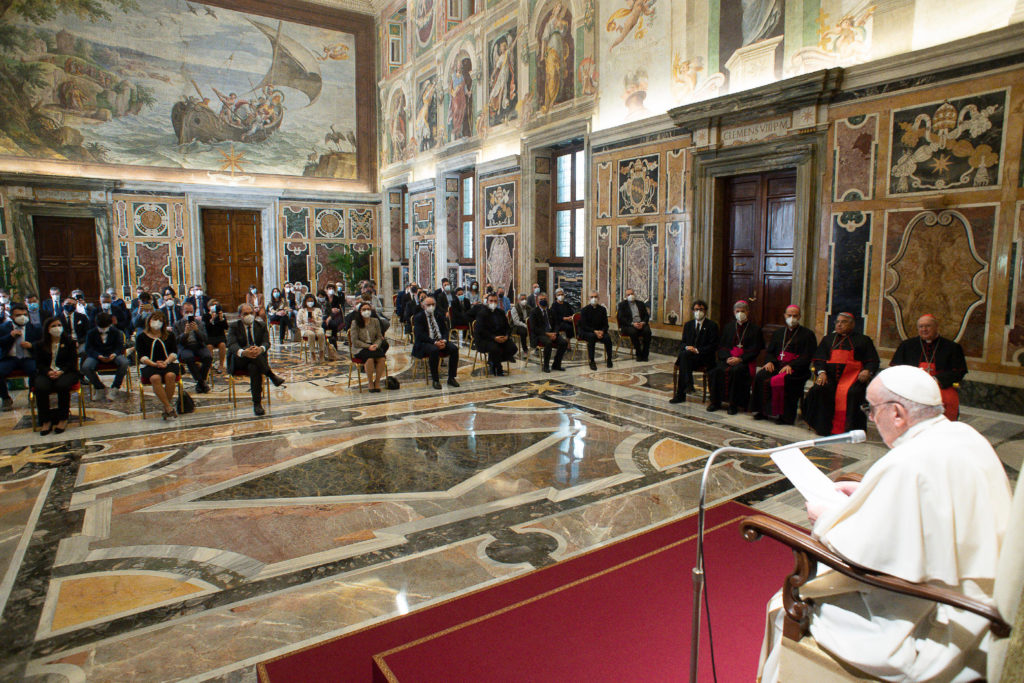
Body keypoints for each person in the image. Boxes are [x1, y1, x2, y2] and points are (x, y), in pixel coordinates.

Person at [757, 366, 1012, 683]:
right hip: (979, 603)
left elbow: (863, 553)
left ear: (898, 413)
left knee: (781, 609)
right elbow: (928, 507)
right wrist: (866, 492)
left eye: (872, 409)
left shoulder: (908, 460)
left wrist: (825, 518)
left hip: (933, 619)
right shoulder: (965, 437)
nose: (871, 419)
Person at [803, 312, 879, 435]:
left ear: (852, 324)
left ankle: (851, 430)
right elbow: (819, 360)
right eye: (837, 322)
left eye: (843, 322)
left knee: (854, 393)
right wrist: (821, 373)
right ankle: (822, 427)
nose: (839, 324)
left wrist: (867, 371)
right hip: (830, 377)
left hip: (853, 378)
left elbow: (873, 361)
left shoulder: (863, 340)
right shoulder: (828, 339)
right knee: (819, 389)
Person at [890, 314, 966, 421]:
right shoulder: (907, 345)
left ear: (936, 327)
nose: (924, 329)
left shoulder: (952, 347)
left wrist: (936, 379)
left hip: (941, 388)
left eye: (928, 326)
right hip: (913, 387)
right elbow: (896, 368)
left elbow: (959, 371)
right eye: (921, 326)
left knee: (948, 405)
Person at [749, 305, 816, 424]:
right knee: (761, 376)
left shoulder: (808, 334)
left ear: (799, 317)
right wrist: (769, 361)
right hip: (777, 365)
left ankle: (784, 416)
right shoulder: (778, 333)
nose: (792, 318)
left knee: (786, 380)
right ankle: (762, 411)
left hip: (796, 370)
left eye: (795, 315)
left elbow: (807, 355)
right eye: (789, 315)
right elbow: (770, 351)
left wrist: (792, 365)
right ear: (785, 316)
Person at [706, 300, 764, 414]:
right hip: (728, 359)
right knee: (715, 370)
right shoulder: (728, 327)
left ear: (748, 312)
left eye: (743, 311)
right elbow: (722, 346)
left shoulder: (755, 329)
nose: (740, 313)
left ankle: (734, 404)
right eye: (738, 311)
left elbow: (756, 350)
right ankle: (715, 402)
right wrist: (727, 358)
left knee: (737, 372)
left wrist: (741, 359)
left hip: (744, 361)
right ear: (734, 312)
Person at [227, 304, 285, 416]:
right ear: (240, 316)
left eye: (251, 313)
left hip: (256, 360)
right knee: (252, 355)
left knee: (254, 367)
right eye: (245, 314)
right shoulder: (234, 326)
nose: (249, 315)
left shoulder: (261, 325)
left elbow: (266, 343)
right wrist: (244, 352)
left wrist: (260, 349)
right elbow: (231, 344)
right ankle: (271, 375)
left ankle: (257, 404)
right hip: (240, 360)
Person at [32, 317, 81, 435]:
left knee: (62, 385)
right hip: (47, 372)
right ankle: (45, 420)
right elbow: (39, 363)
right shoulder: (40, 344)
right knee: (41, 387)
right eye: (53, 326)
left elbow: (72, 362)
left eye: (59, 325)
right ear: (47, 329)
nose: (57, 328)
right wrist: (48, 371)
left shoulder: (70, 342)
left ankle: (63, 418)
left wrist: (61, 371)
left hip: (67, 372)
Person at [671, 300, 719, 404]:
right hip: (689, 357)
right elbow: (682, 343)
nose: (698, 312)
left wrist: (697, 350)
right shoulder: (688, 325)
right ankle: (687, 386)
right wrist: (688, 347)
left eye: (701, 309)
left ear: (705, 311)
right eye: (696, 309)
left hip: (704, 357)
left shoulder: (712, 325)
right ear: (693, 311)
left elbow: (713, 345)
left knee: (684, 358)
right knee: (685, 355)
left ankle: (681, 394)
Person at [135, 310, 180, 420]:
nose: (157, 322)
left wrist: (166, 362)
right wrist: (154, 364)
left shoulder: (169, 335)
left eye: (160, 321)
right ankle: (168, 407)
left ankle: (166, 407)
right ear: (149, 321)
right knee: (155, 378)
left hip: (168, 362)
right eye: (155, 320)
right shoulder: (141, 337)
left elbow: (174, 352)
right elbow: (141, 356)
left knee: (170, 376)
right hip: (150, 364)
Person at [412, 296, 461, 390]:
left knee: (454, 349)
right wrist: (434, 342)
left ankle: (451, 377)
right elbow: (420, 335)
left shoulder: (438, 315)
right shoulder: (419, 317)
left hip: (440, 340)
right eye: (428, 305)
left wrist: (444, 340)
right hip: (426, 342)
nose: (431, 306)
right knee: (434, 350)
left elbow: (445, 330)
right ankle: (435, 379)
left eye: (433, 304)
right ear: (423, 306)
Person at [0, 303, 41, 411]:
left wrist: (31, 345)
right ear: (12, 316)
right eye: (18, 315)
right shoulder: (3, 328)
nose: (22, 317)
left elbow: (40, 343)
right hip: (10, 358)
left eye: (24, 314)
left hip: (27, 357)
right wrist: (10, 336)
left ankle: (33, 395)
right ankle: (5, 398)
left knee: (35, 370)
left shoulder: (34, 327)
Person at [81, 311, 129, 402]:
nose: (103, 330)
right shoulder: (91, 333)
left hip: (113, 355)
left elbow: (120, 346)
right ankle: (99, 387)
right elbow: (88, 348)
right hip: (96, 355)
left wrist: (114, 354)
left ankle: (115, 387)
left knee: (124, 362)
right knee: (86, 366)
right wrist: (98, 356)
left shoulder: (116, 332)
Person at [475, 293, 517, 376]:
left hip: (500, 337)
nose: (493, 303)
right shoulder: (482, 314)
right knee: (495, 349)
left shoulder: (500, 312)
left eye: (495, 301)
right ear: (487, 301)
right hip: (486, 339)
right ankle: (498, 367)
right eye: (491, 301)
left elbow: (507, 327)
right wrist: (494, 337)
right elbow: (481, 331)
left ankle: (493, 361)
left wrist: (506, 336)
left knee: (513, 348)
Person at [174, 303, 212, 393]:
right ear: (182, 312)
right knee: (188, 357)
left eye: (191, 312)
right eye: (187, 312)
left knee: (208, 357)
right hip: (185, 346)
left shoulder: (200, 323)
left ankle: (200, 382)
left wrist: (197, 330)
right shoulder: (177, 324)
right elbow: (176, 341)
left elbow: (205, 339)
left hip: (199, 345)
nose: (189, 314)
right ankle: (201, 382)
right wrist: (185, 333)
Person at [350, 301, 388, 392]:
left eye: (368, 309)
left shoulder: (375, 321)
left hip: (373, 346)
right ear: (360, 311)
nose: (366, 311)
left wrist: (376, 344)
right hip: (360, 348)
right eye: (364, 309)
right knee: (370, 359)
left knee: (382, 358)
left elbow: (379, 336)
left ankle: (377, 381)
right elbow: (355, 341)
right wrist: (368, 346)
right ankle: (370, 382)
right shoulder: (355, 323)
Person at [529, 293, 568, 372]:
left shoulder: (551, 311)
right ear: (537, 302)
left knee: (564, 342)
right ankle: (546, 366)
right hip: (540, 335)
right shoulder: (534, 312)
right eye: (541, 299)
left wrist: (555, 333)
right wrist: (547, 334)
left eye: (545, 299)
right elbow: (534, 328)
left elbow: (557, 324)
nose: (543, 301)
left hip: (552, 333)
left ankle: (556, 364)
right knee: (548, 342)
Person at [578, 291, 614, 370]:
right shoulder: (584, 310)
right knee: (592, 337)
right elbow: (583, 326)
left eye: (595, 297)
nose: (594, 299)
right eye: (592, 297)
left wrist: (602, 331)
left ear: (598, 298)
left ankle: (609, 359)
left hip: (600, 331)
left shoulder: (602, 309)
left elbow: (606, 324)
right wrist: (595, 331)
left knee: (607, 338)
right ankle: (592, 361)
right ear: (589, 299)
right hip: (587, 332)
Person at [616, 289, 652, 361]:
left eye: (631, 294)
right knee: (633, 332)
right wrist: (633, 324)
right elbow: (621, 318)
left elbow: (646, 316)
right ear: (625, 296)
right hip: (629, 325)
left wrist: (643, 323)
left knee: (648, 332)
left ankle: (645, 354)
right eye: (628, 295)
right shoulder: (622, 305)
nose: (630, 296)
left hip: (641, 323)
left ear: (634, 294)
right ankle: (638, 354)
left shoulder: (640, 303)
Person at [297, 293, 327, 360]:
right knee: (311, 334)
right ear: (305, 302)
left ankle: (321, 352)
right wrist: (307, 327)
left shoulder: (318, 310)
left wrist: (314, 321)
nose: (310, 302)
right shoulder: (301, 311)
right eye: (308, 301)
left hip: (317, 327)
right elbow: (299, 324)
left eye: (311, 301)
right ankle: (312, 353)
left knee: (321, 333)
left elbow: (320, 322)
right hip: (306, 328)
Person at [204, 299, 229, 374]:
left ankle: (221, 365)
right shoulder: (206, 316)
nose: (214, 306)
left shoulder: (221, 315)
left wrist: (221, 319)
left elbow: (226, 327)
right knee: (209, 347)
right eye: (213, 305)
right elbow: (206, 328)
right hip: (210, 336)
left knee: (222, 345)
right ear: (209, 307)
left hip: (220, 336)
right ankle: (209, 365)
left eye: (216, 305)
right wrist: (212, 319)